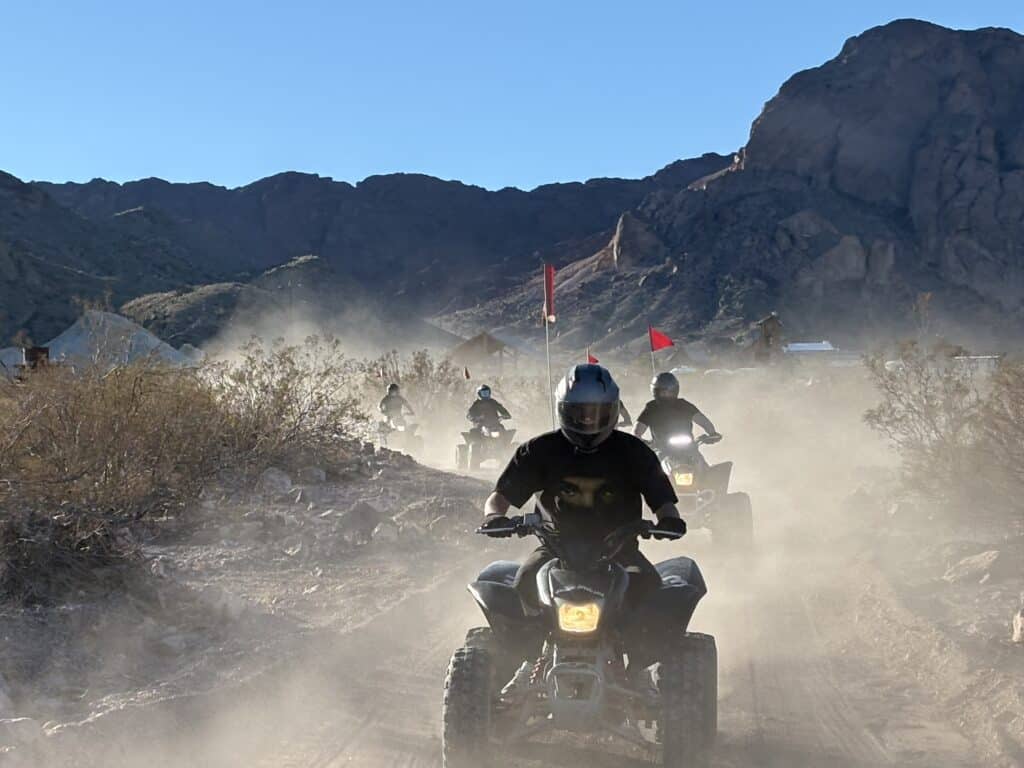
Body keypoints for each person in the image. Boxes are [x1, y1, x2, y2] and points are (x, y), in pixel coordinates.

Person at [480, 364, 686, 611]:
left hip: (620, 551)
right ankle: (517, 649)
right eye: (579, 412)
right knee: (524, 586)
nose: (588, 420)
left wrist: (670, 521)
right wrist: (494, 516)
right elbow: (500, 497)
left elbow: (663, 501)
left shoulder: (634, 452)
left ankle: (650, 650)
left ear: (613, 410)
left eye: (597, 412)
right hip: (555, 550)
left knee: (650, 590)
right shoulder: (539, 450)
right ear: (562, 410)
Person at [633, 372, 718, 450]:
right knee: (649, 465)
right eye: (663, 392)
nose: (667, 395)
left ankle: (706, 467)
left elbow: (703, 420)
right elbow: (637, 430)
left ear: (676, 391)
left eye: (670, 392)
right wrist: (639, 439)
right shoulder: (651, 408)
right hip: (661, 449)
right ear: (655, 392)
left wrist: (712, 433)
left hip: (688, 448)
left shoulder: (684, 405)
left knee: (701, 462)